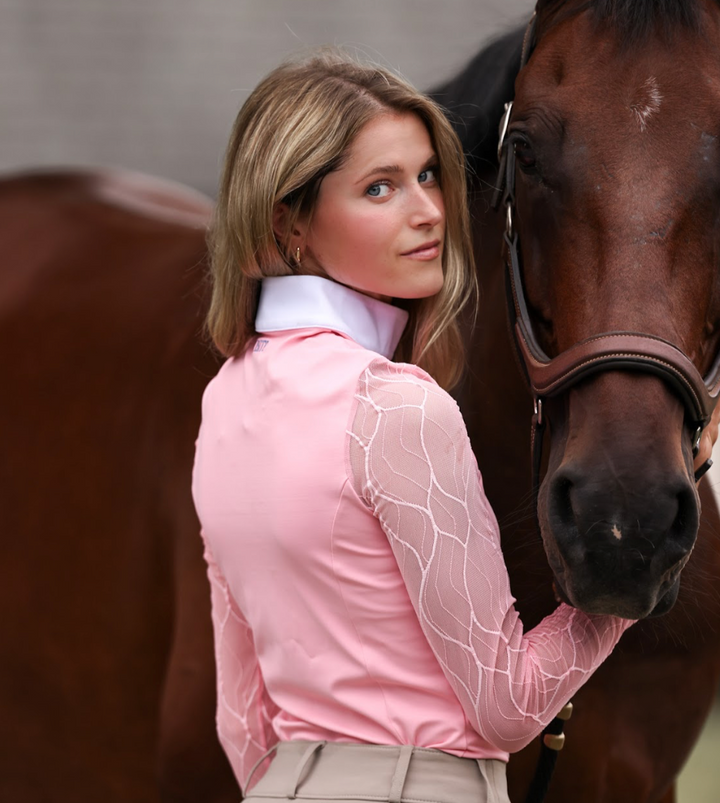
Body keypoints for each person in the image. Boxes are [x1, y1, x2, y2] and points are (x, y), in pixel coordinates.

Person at [191, 51, 714, 803]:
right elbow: (507, 707)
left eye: (429, 175)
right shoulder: (396, 407)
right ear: (290, 222)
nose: (429, 211)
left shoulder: (225, 399)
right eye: (380, 187)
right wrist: (629, 569)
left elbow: (241, 720)